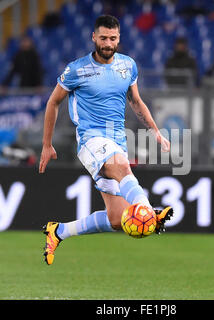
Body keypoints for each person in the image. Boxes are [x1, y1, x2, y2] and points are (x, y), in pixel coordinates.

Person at [39, 15, 174, 265]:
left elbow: (135, 100)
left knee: (116, 219)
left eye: (112, 38)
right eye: (103, 38)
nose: (108, 43)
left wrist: (155, 129)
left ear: (119, 38)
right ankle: (149, 211)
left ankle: (58, 231)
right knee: (122, 166)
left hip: (116, 140)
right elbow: (53, 102)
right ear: (94, 37)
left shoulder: (128, 66)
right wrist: (47, 144)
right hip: (90, 140)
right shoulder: (76, 69)